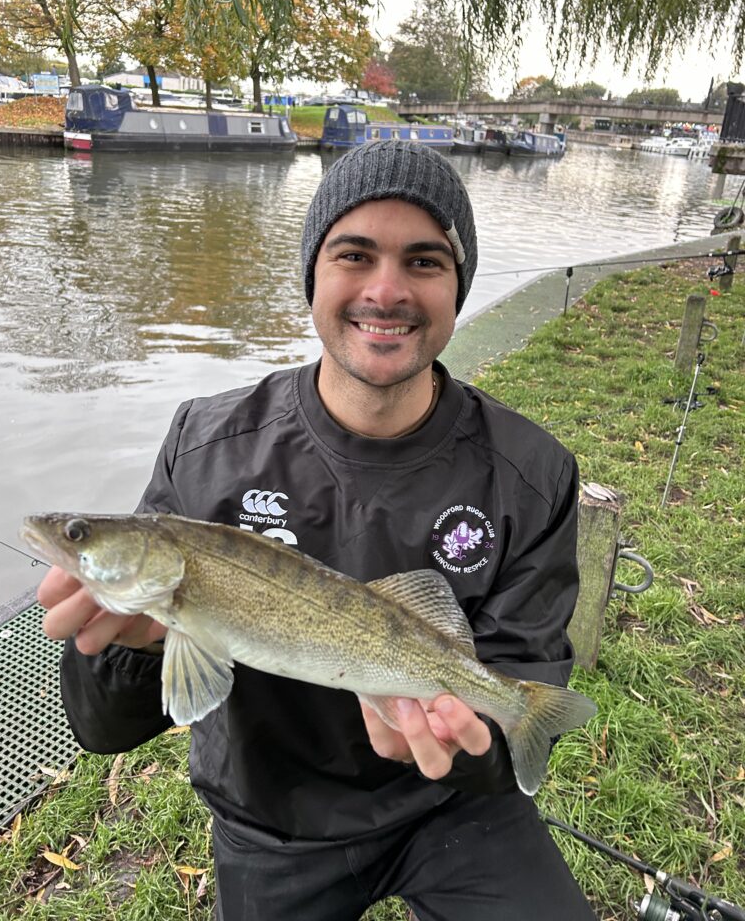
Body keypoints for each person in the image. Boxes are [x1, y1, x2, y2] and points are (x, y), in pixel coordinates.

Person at [38, 140, 595, 921]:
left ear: (458, 289)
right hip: (273, 818)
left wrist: (475, 740)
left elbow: (518, 699)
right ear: (313, 275)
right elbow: (105, 730)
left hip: (450, 810)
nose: (386, 289)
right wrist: (130, 647)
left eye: (425, 261)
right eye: (354, 254)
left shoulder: (533, 473)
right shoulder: (205, 447)